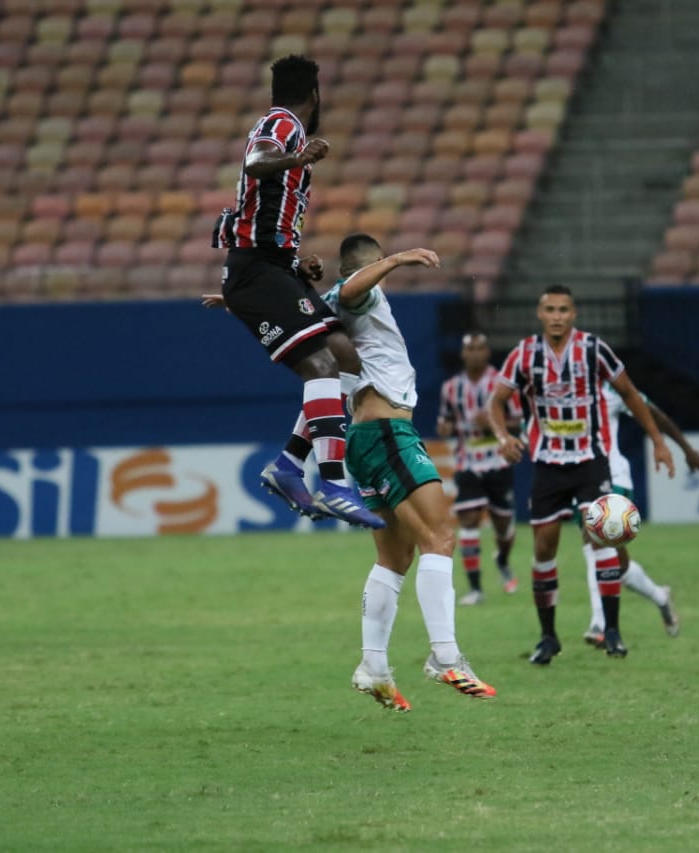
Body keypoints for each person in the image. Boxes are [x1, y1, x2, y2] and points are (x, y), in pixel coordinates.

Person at [211, 54, 381, 530]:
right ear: (315, 95)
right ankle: (334, 485)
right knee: (321, 365)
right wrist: (298, 157)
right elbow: (256, 162)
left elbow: (264, 207)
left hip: (275, 266)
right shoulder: (281, 124)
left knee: (344, 356)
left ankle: (288, 465)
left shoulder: (285, 129)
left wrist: (295, 260)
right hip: (254, 270)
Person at [328, 235, 497, 711]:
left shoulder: (328, 305)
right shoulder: (359, 295)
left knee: (394, 558)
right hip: (387, 433)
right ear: (373, 265)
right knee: (440, 537)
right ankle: (445, 656)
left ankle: (373, 666)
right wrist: (399, 259)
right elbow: (351, 290)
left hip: (365, 437)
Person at [486, 286, 675, 663]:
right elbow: (496, 401)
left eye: (563, 310)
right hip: (547, 464)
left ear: (574, 314)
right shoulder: (524, 354)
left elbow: (630, 393)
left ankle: (612, 632)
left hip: (590, 461)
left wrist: (658, 441)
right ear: (540, 314)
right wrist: (503, 436)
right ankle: (548, 637)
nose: (557, 316)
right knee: (544, 548)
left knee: (602, 538)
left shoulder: (594, 349)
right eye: (550, 310)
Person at [577, 382, 699, 646]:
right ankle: (660, 596)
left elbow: (654, 414)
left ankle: (599, 623)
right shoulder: (562, 388)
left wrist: (685, 448)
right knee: (616, 563)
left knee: (596, 540)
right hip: (580, 478)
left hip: (614, 475)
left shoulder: (611, 387)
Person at [436, 332, 522, 604]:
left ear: (487, 352)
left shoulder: (503, 384)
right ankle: (475, 589)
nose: (474, 353)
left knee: (503, 525)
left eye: (479, 348)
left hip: (498, 460)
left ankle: (503, 559)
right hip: (468, 461)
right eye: (470, 349)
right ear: (463, 354)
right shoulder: (451, 388)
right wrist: (444, 428)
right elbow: (445, 422)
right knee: (469, 519)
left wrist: (495, 424)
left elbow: (520, 421)